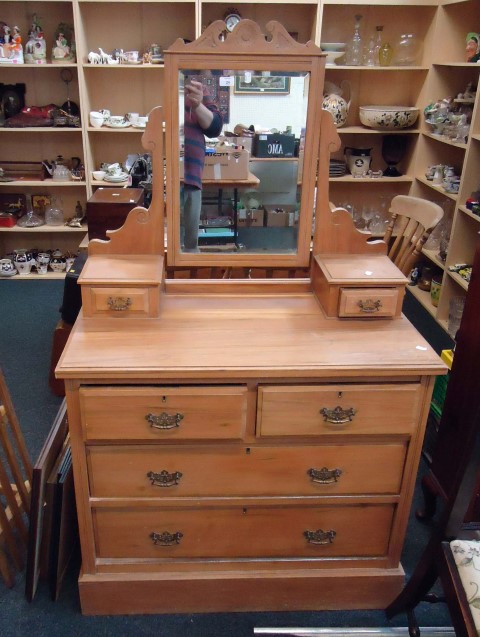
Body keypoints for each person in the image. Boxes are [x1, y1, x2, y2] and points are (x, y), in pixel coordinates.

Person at [182, 77, 223, 251]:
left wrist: (198, 105)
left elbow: (215, 128)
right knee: (160, 240)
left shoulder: (198, 87)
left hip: (190, 175)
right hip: (160, 175)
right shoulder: (157, 80)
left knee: (190, 246)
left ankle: (189, 276)